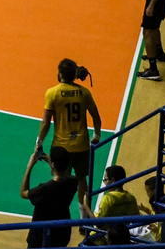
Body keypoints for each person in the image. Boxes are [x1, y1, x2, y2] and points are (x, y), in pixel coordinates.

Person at [36, 59, 102, 217]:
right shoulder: (84, 92)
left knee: (59, 179)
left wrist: (39, 141)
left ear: (60, 74)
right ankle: (83, 216)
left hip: (61, 147)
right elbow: (96, 116)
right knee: (82, 179)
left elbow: (46, 122)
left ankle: (59, 213)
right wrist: (97, 135)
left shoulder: (52, 93)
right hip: (81, 145)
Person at [21, 146, 79, 249]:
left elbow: (23, 193)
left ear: (53, 164)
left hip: (40, 237)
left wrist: (29, 166)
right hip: (62, 233)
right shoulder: (73, 182)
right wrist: (49, 160)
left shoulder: (43, 190)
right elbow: (62, 176)